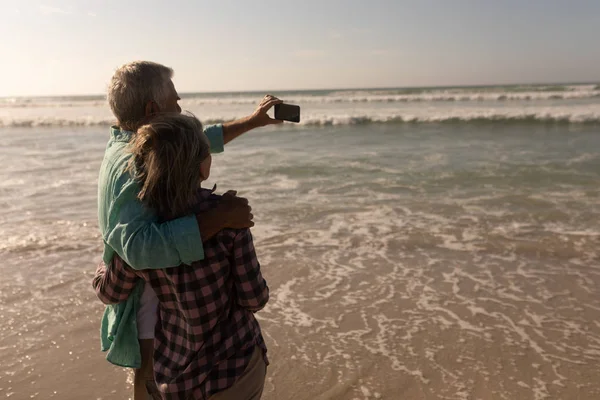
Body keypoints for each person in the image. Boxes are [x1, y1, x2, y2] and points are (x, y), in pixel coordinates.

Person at [96, 61, 281, 398]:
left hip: (164, 325)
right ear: (153, 110)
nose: (180, 105)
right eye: (175, 101)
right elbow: (137, 250)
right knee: (146, 380)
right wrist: (223, 216)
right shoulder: (129, 163)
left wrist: (252, 122)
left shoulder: (131, 144)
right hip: (149, 308)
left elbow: (193, 141)